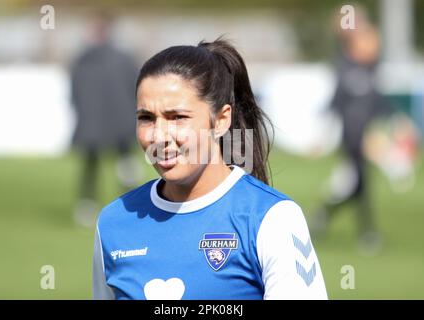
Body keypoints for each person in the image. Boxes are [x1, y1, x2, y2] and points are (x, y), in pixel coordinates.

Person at [92, 38, 327, 300]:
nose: (159, 136)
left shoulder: (272, 219)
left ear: (221, 119)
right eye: (146, 118)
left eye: (177, 117)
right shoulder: (114, 222)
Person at [311, 11, 392, 254]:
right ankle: (367, 233)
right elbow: (335, 104)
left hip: (368, 136)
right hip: (352, 137)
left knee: (356, 185)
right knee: (360, 183)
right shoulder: (345, 66)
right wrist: (322, 136)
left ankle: (323, 214)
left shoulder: (372, 68)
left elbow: (379, 103)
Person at [70, 13, 141, 227]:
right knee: (117, 163)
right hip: (118, 122)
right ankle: (129, 206)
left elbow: (74, 93)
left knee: (105, 164)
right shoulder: (123, 58)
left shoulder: (83, 60)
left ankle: (90, 208)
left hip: (101, 123)